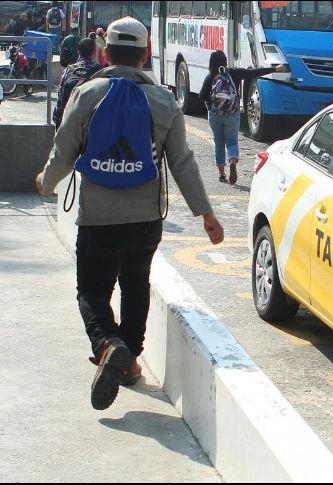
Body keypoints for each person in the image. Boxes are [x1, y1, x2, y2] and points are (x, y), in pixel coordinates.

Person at [35, 17, 225, 411]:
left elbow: (64, 147)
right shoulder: (164, 101)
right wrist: (205, 213)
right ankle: (131, 361)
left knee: (91, 290)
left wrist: (47, 180)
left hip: (98, 217)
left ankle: (108, 345)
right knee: (136, 285)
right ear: (144, 53)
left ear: (106, 52)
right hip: (146, 220)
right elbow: (183, 162)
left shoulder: (87, 94)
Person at [199, 50, 288, 184]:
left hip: (215, 115)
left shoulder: (210, 76)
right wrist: (276, 68)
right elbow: (253, 73)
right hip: (232, 113)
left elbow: (202, 95)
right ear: (225, 62)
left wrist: (211, 105)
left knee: (219, 142)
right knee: (232, 142)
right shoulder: (234, 72)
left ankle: (222, 174)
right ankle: (233, 161)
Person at [53, 38, 102, 129]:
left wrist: (57, 118)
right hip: (92, 124)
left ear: (78, 52)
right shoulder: (100, 72)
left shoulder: (69, 70)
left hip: (70, 120)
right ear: (94, 52)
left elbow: (60, 95)